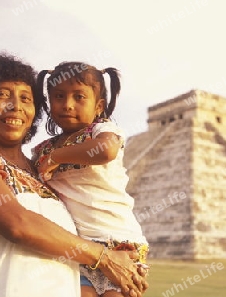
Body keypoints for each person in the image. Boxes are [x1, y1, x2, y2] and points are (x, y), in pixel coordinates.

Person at [0, 53, 148, 297]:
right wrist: (104, 258)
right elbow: (18, 224)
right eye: (2, 95)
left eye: (26, 98)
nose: (16, 106)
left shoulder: (44, 172)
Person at [32, 62, 149, 297]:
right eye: (58, 96)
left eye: (79, 97)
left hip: (119, 245)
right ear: (48, 102)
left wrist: (57, 156)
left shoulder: (102, 130)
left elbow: (106, 151)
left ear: (98, 107)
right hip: (78, 250)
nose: (67, 104)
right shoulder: (41, 150)